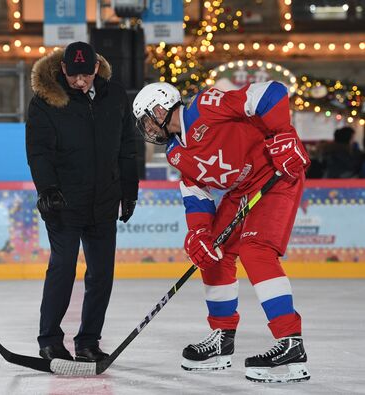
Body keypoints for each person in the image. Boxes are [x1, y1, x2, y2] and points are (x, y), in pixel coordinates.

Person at [132, 81, 310, 383]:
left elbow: (271, 93)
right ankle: (222, 339)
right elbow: (196, 192)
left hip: (276, 174)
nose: (147, 128)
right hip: (242, 190)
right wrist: (199, 232)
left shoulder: (205, 106)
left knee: (256, 250)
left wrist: (283, 135)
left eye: (147, 119)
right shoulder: (176, 152)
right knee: (211, 252)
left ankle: (290, 342)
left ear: (161, 109)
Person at [25, 41, 139, 362]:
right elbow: (39, 152)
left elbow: (126, 147)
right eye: (74, 75)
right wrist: (46, 189)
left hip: (104, 200)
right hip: (64, 202)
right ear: (63, 70)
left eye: (85, 75)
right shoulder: (46, 102)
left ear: (95, 69)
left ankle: (88, 341)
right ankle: (50, 339)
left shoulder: (113, 95)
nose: (79, 82)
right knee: (62, 268)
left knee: (101, 273)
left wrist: (129, 189)